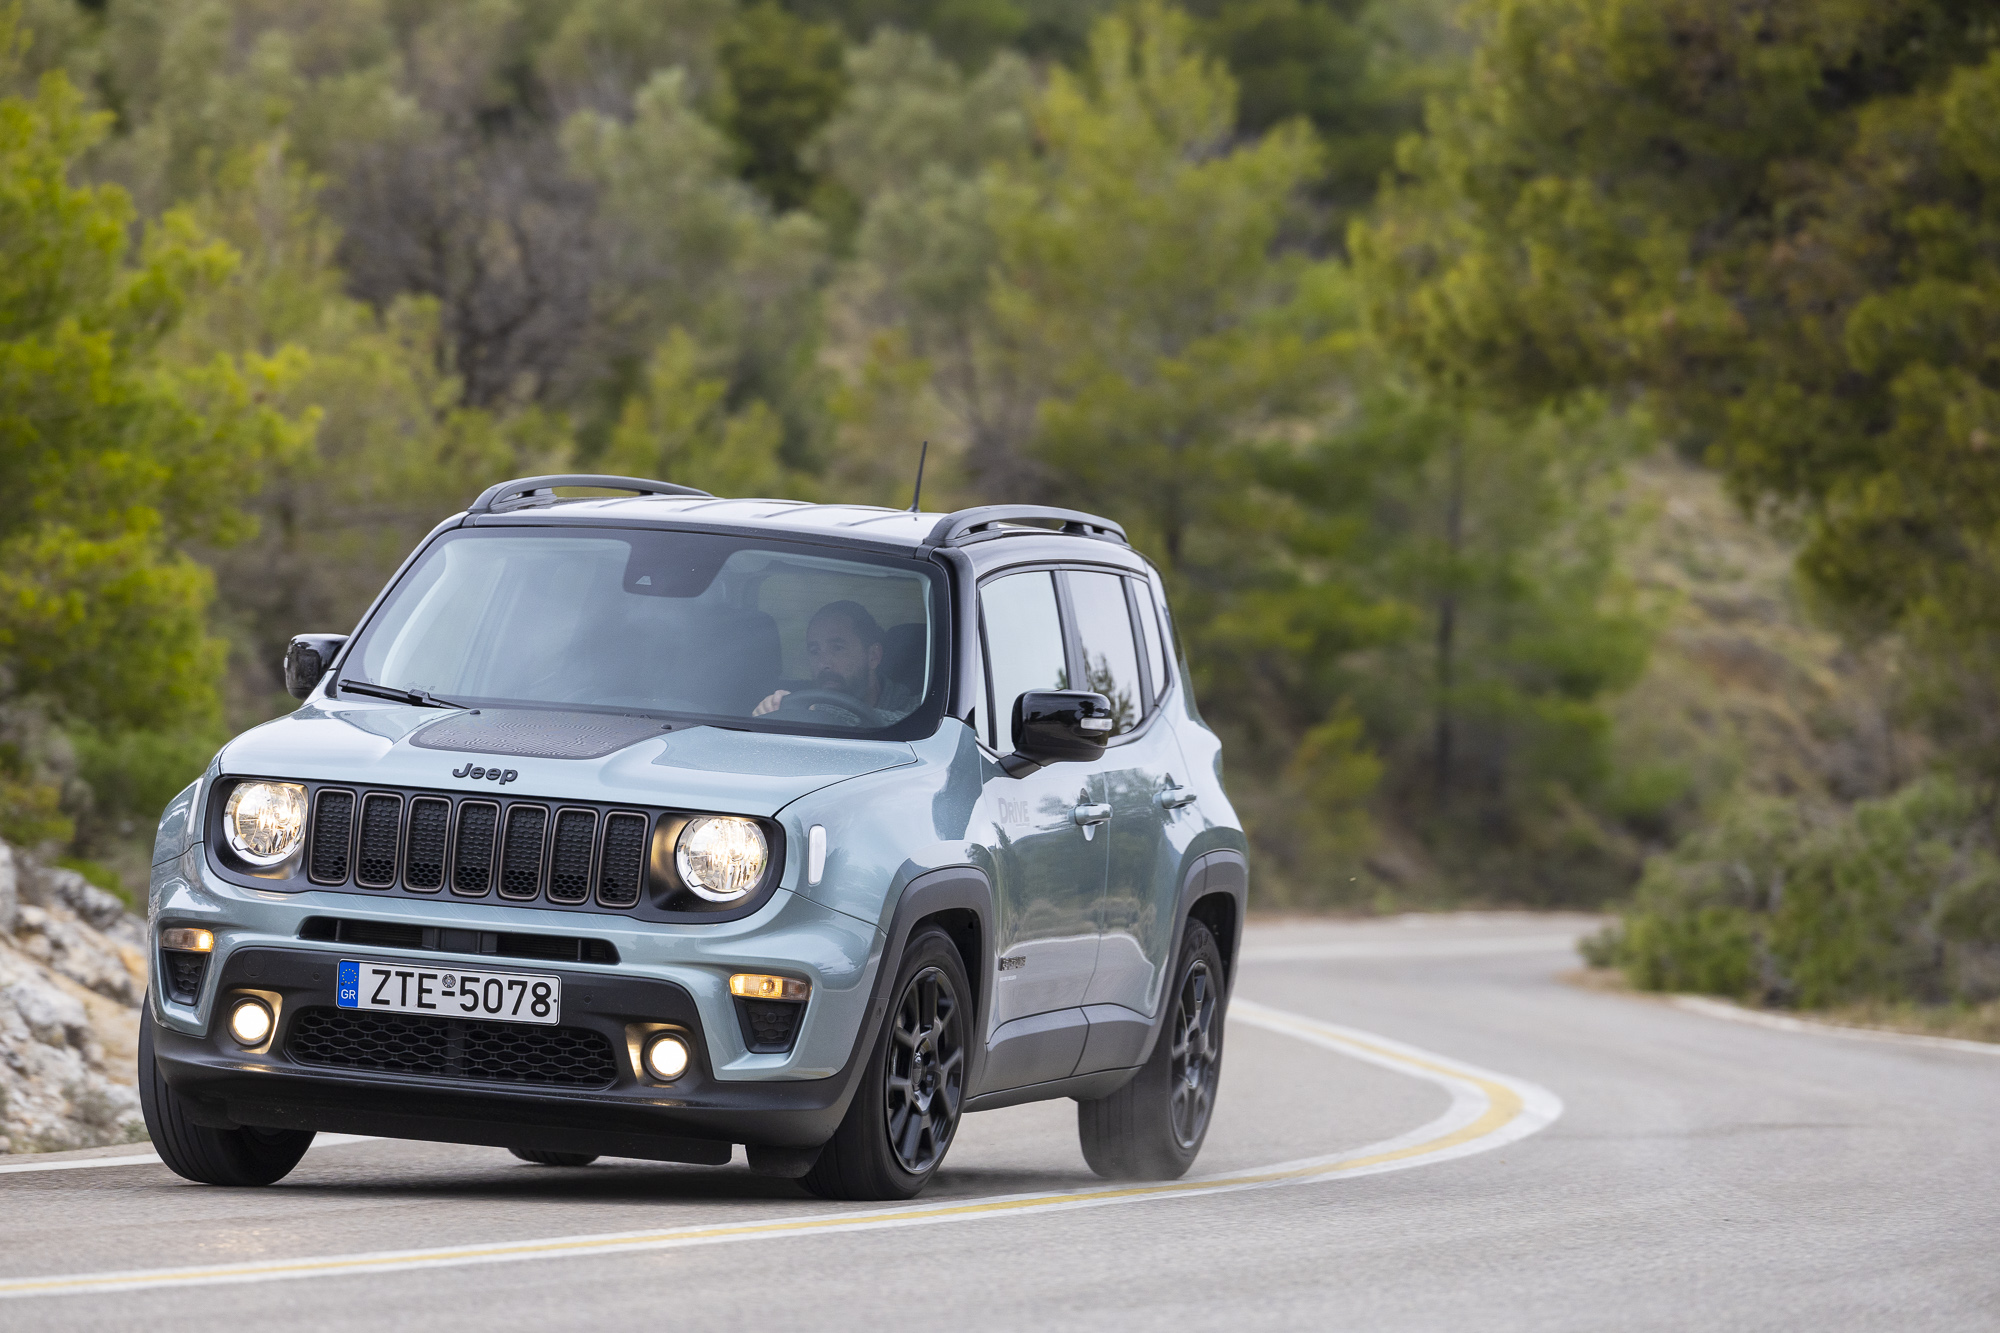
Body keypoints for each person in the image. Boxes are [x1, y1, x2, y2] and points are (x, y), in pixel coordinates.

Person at [753, 601, 918, 724]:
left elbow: (909, 726)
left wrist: (818, 712)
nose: (823, 663)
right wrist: (772, 711)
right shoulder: (797, 702)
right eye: (814, 651)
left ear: (873, 656)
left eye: (837, 648)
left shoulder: (914, 707)